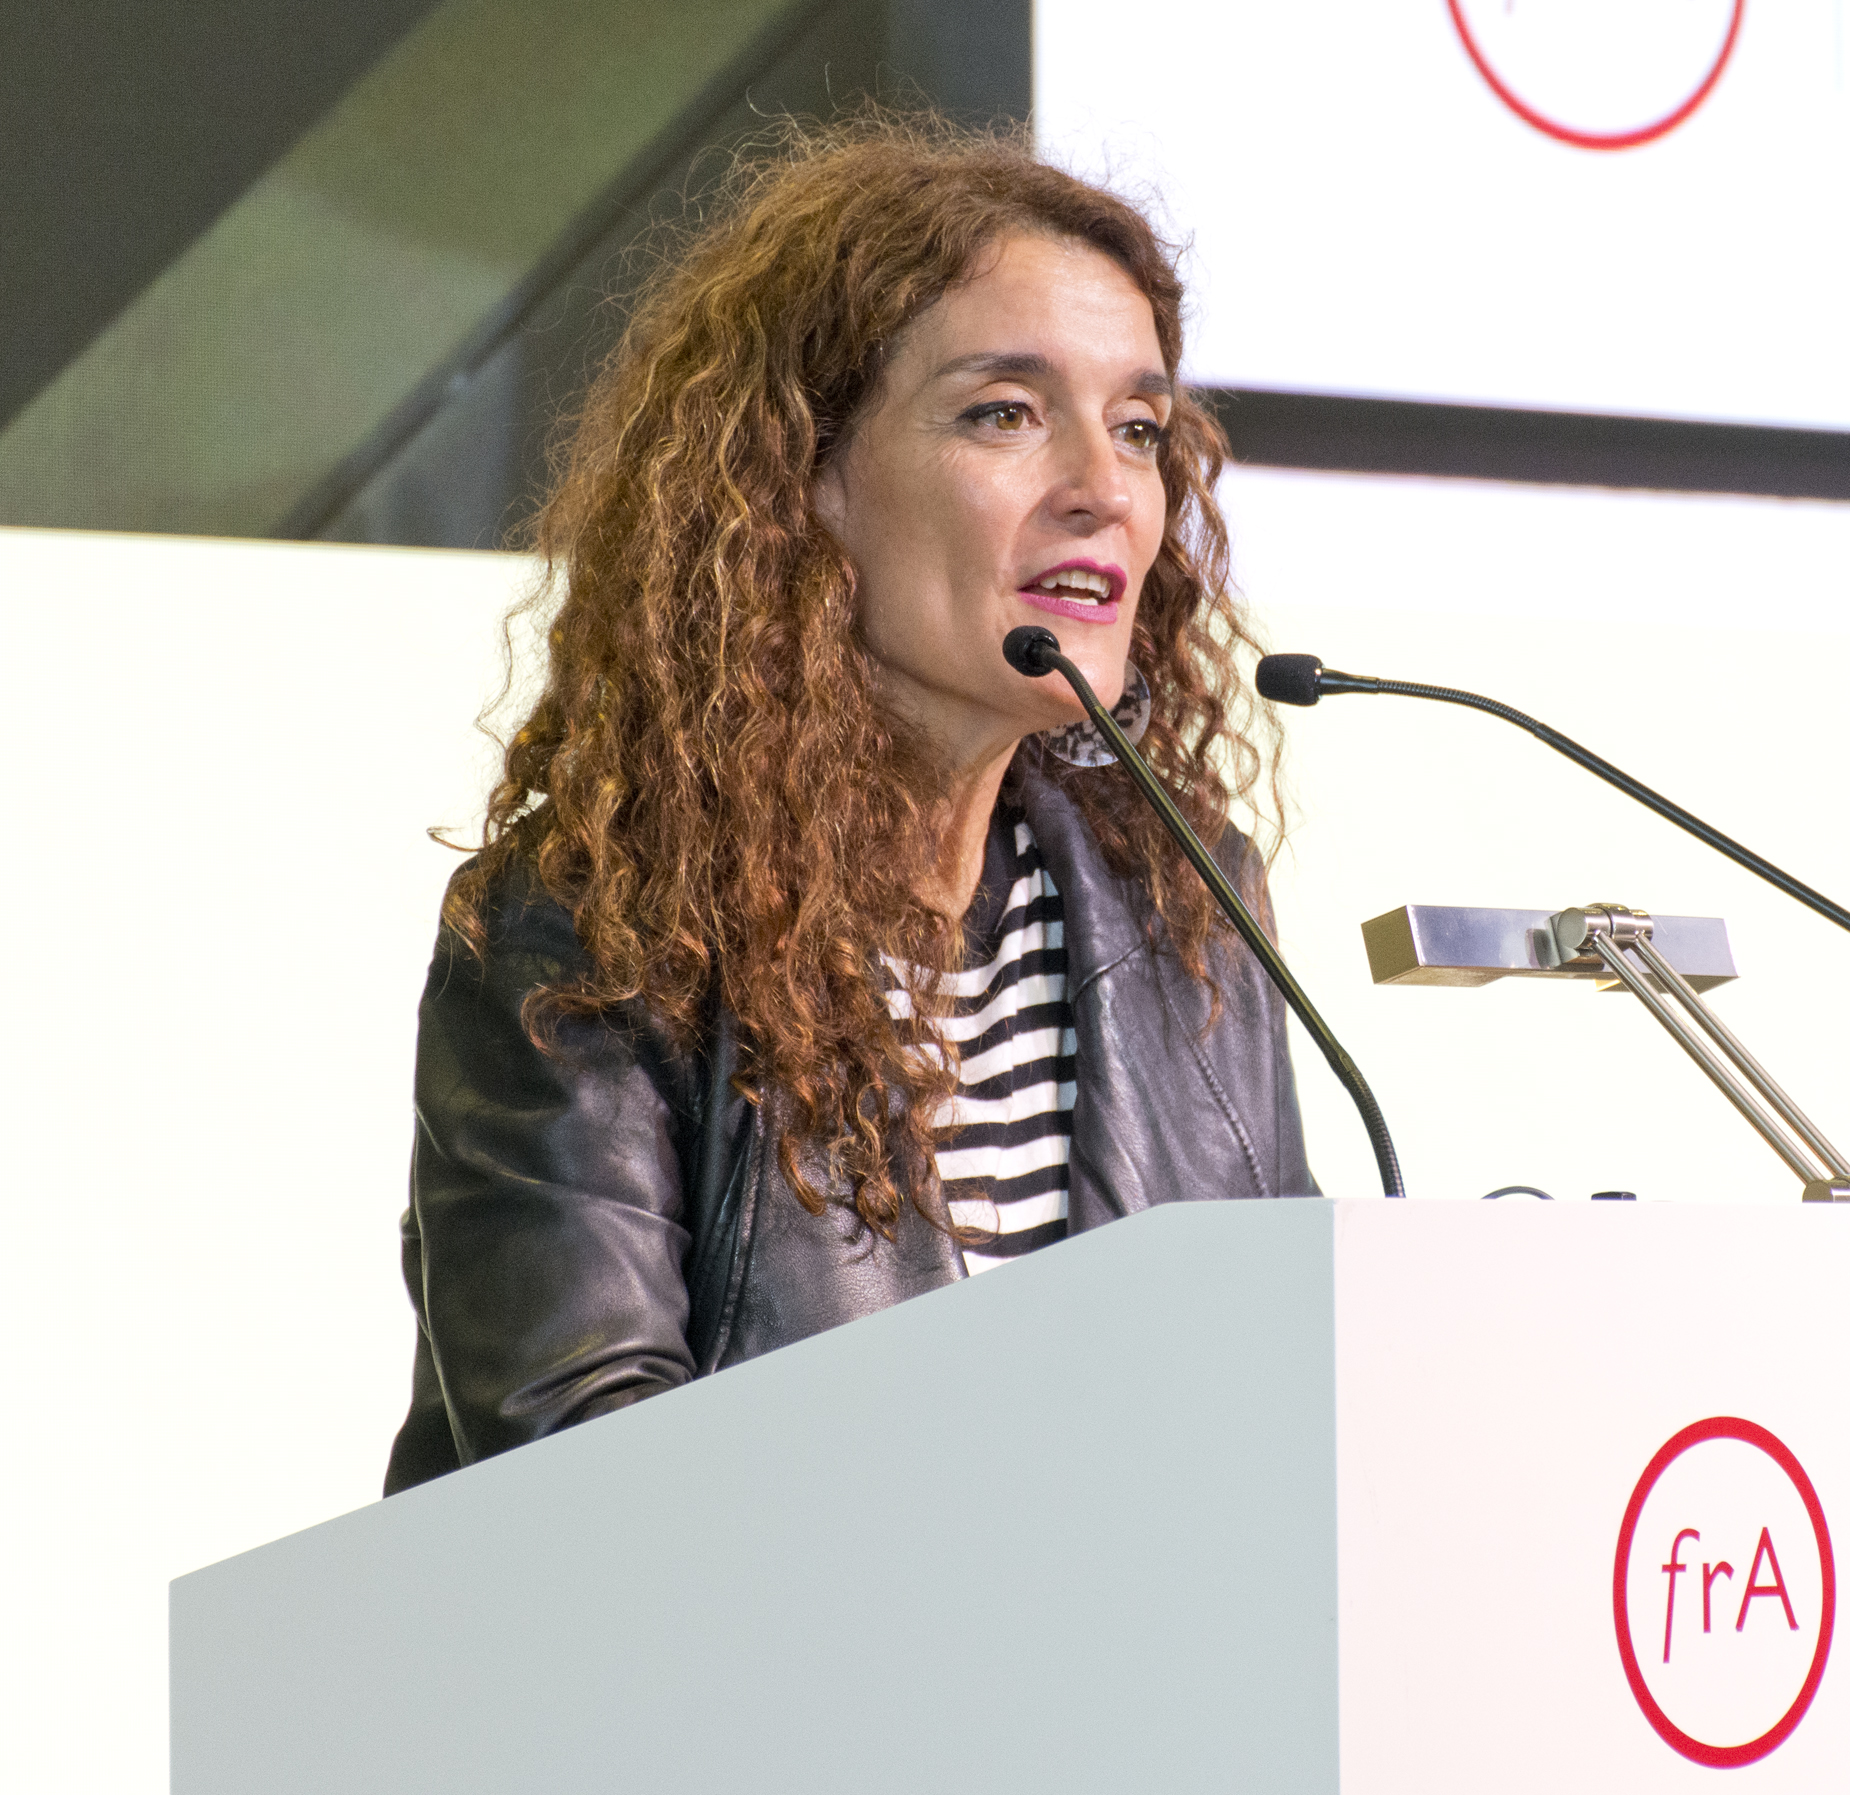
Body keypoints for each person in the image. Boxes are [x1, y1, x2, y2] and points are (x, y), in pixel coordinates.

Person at [384, 119, 1316, 1496]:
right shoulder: (592, 934)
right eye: (1005, 412)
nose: (1105, 491)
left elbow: (1291, 1394)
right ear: (803, 483)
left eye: (1138, 428)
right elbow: (579, 1486)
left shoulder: (1185, 904)